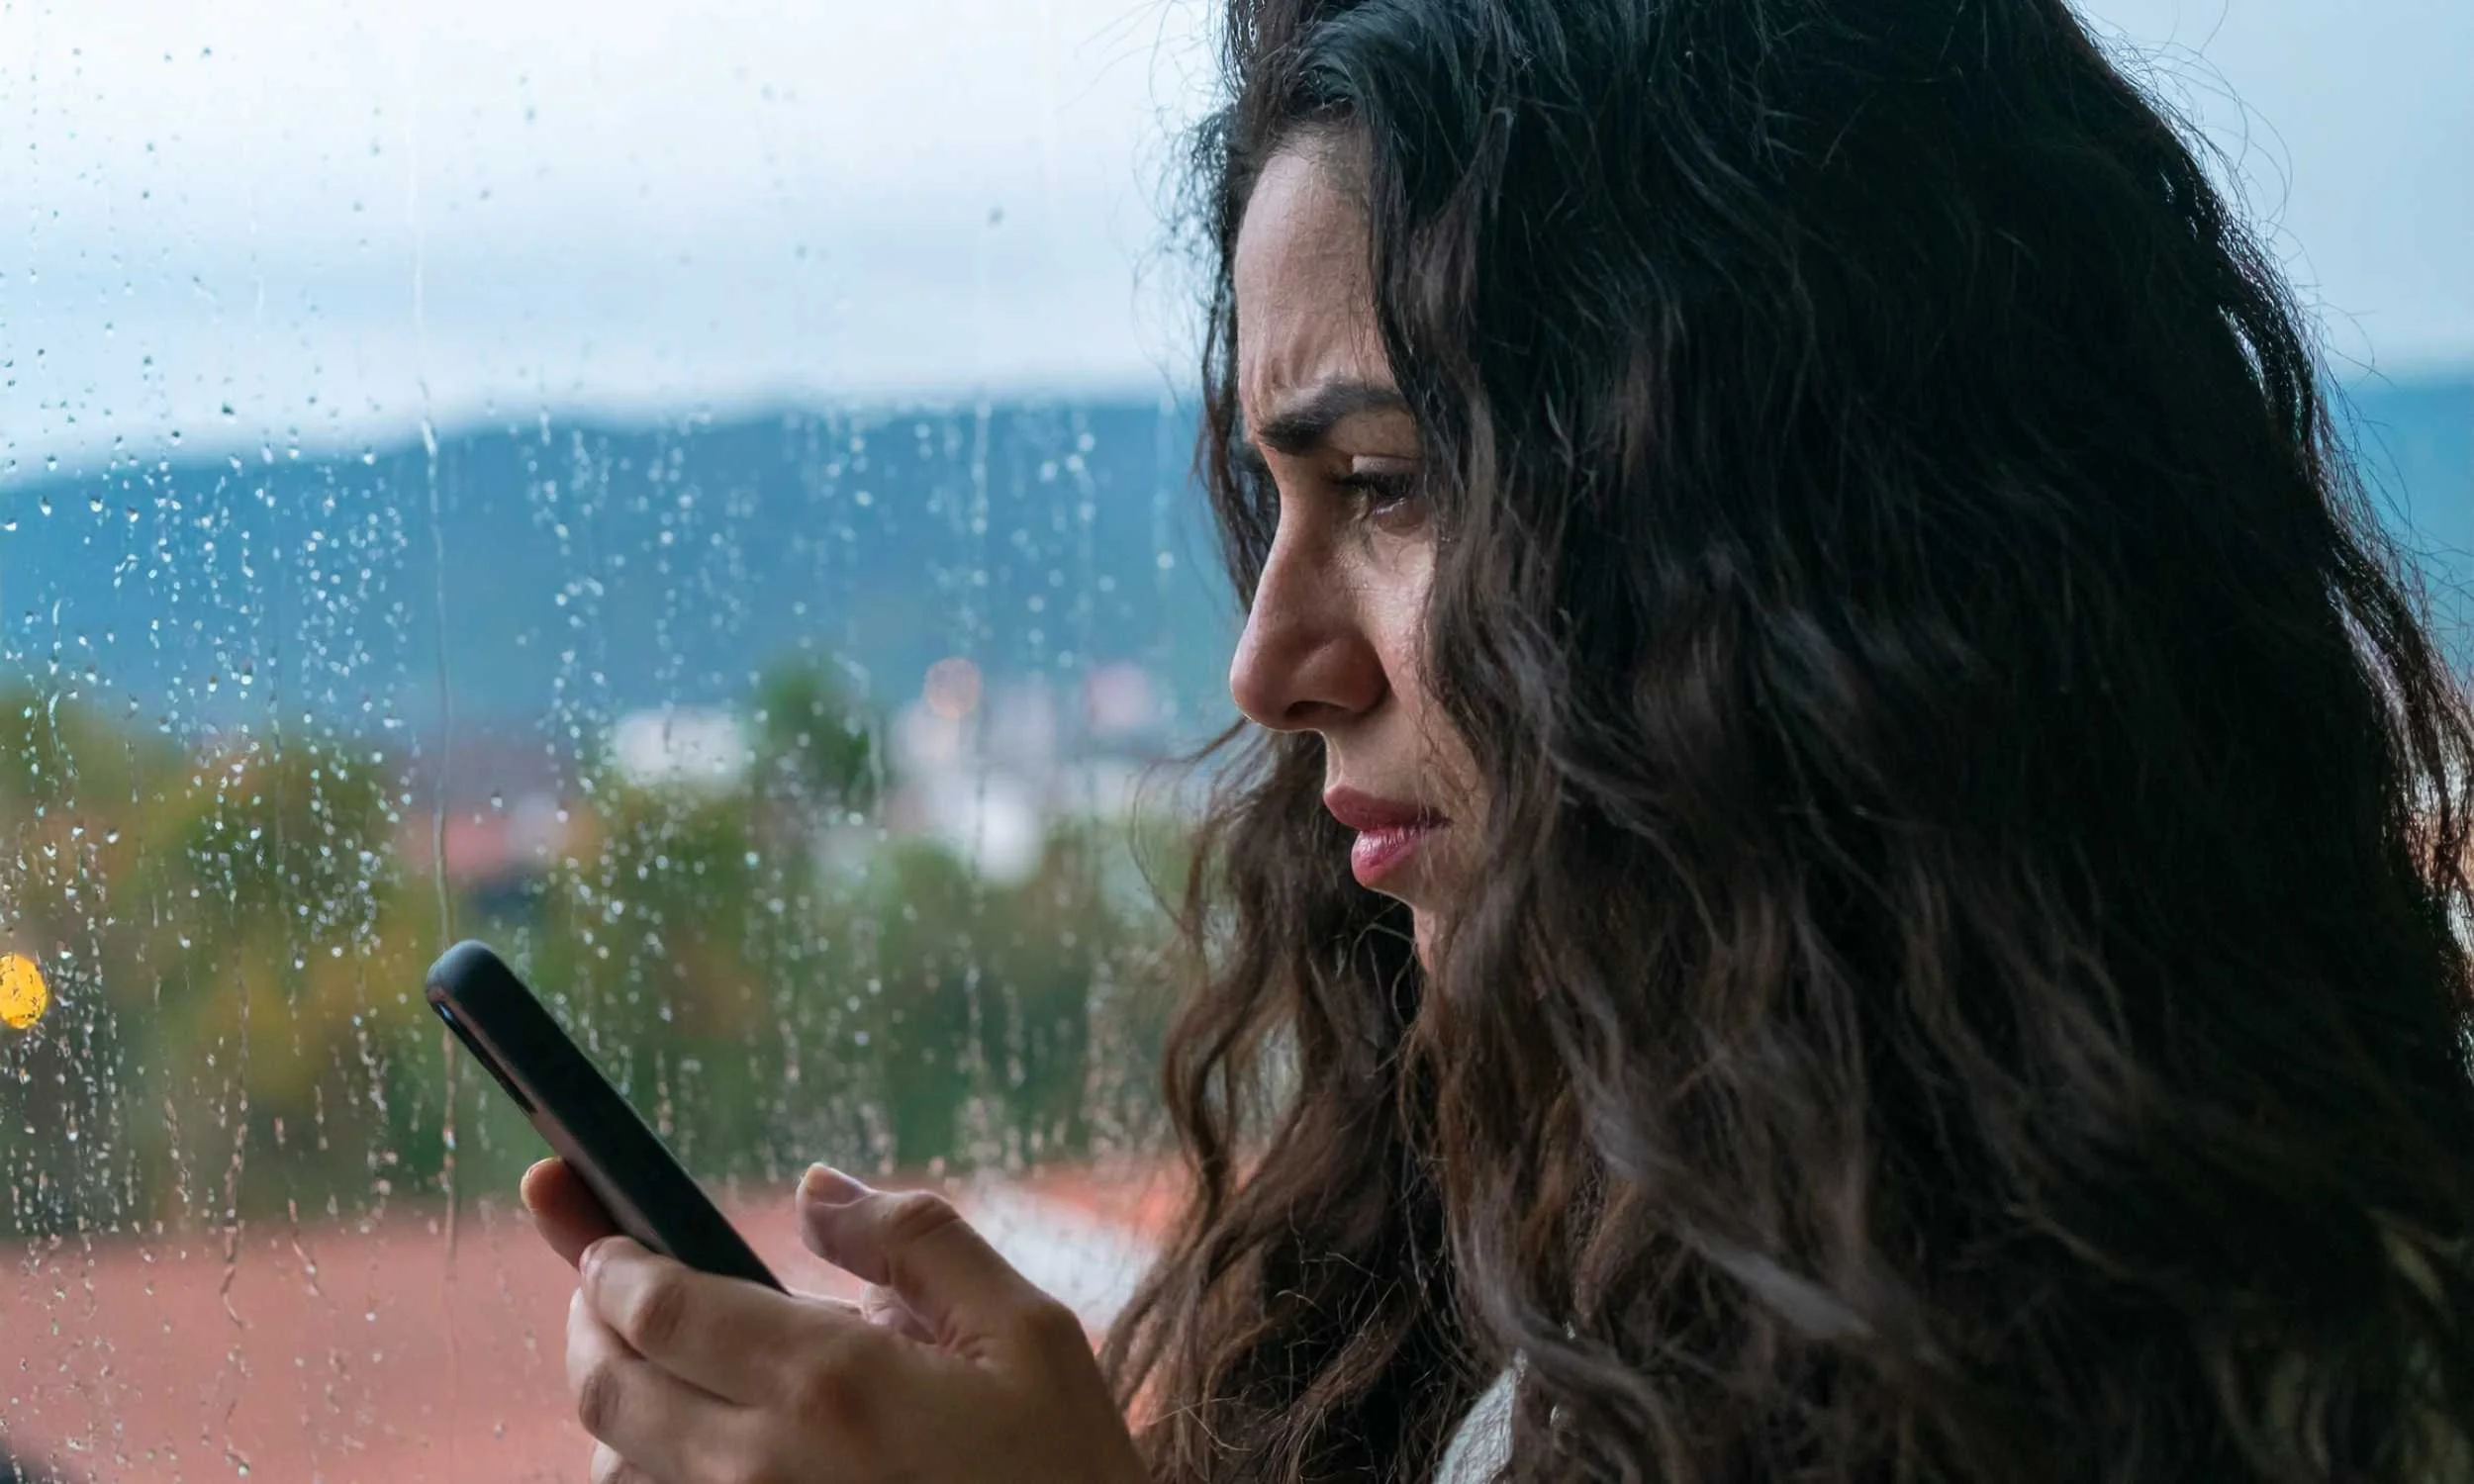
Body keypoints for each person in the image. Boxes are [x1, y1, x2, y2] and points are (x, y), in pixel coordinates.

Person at [522, 0, 2474, 1478]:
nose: (1266, 665)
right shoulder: (1568, 1287)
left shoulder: (2286, 1368)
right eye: (1267, 502)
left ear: (1789, 543)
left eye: (1381, 486)